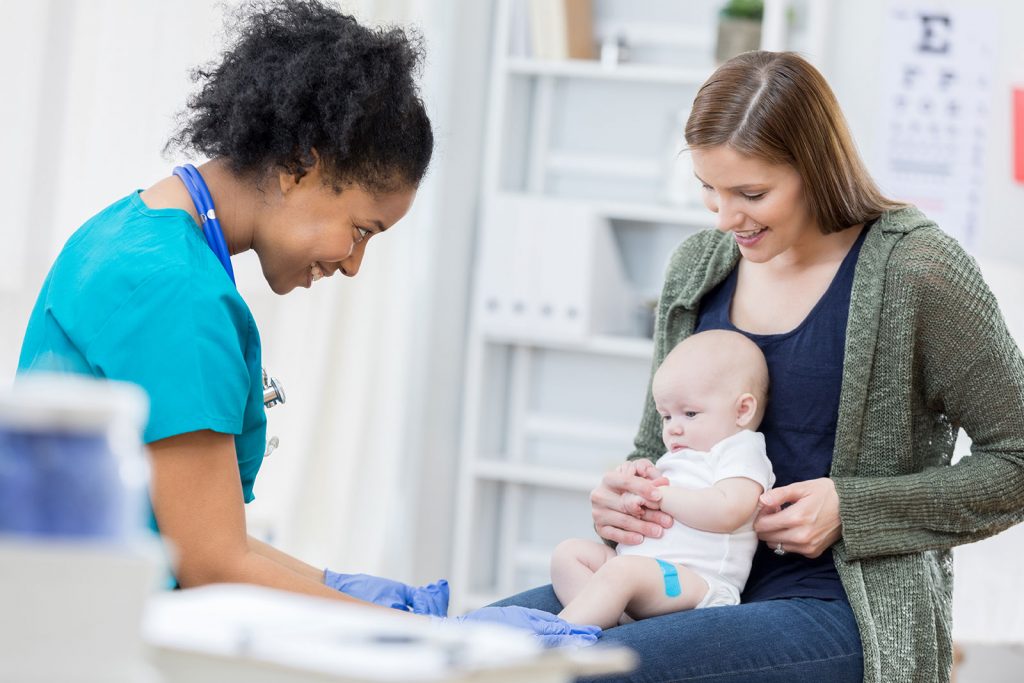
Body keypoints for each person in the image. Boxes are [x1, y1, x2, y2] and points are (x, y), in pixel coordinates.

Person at [16, 0, 598, 648]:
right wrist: (427, 637)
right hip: (104, 641)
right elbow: (211, 564)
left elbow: (207, 538)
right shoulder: (175, 291)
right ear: (299, 163)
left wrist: (346, 587)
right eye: (359, 230)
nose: (353, 264)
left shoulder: (132, 231)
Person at [493, 50, 1024, 681]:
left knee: (585, 672)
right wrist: (625, 499)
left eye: (751, 193)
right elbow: (658, 442)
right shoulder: (698, 266)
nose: (724, 219)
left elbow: (1016, 456)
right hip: (683, 583)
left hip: (839, 607)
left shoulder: (917, 270)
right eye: (709, 191)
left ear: (816, 168)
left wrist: (850, 508)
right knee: (476, 647)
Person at [552, 330, 774, 630]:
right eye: (666, 417)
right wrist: (636, 485)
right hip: (641, 575)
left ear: (742, 410)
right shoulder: (681, 455)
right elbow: (650, 506)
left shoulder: (740, 449)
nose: (673, 429)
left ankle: (559, 636)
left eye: (690, 413)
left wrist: (659, 495)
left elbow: (729, 511)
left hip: (692, 582)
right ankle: (606, 620)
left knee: (622, 572)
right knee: (568, 554)